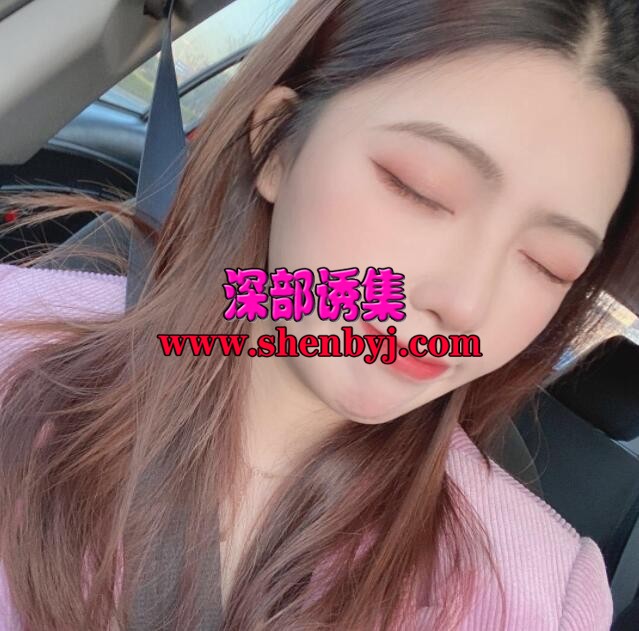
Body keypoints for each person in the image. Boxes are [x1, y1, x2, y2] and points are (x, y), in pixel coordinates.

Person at [1, 0, 638, 629]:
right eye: (420, 189)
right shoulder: (14, 341)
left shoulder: (543, 595)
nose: (466, 305)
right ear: (277, 145)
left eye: (548, 264)